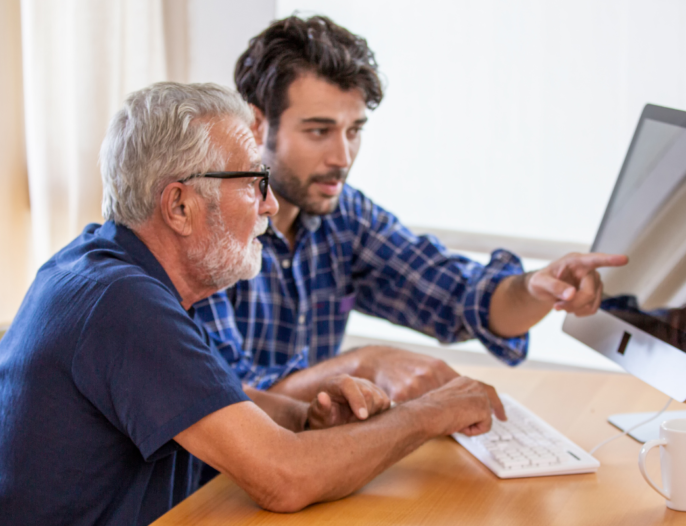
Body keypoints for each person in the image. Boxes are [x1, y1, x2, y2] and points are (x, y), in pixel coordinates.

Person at [0, 81, 508, 525]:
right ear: (180, 205)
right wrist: (431, 414)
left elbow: (209, 406)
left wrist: (304, 417)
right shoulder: (121, 303)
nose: (271, 204)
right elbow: (284, 479)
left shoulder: (111, 268)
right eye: (255, 182)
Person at [193, 15, 627, 403]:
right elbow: (231, 399)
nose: (342, 156)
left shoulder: (344, 217)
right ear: (256, 123)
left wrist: (536, 287)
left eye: (354, 130)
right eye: (319, 131)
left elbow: (461, 299)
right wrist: (364, 364)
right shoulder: (205, 232)